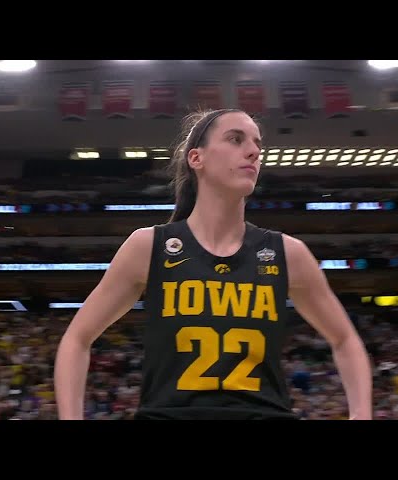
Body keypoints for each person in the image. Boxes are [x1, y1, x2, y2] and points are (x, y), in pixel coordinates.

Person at [54, 108, 373, 420]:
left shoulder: (288, 253)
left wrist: (361, 413)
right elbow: (76, 339)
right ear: (197, 158)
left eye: (257, 144)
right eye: (236, 139)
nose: (253, 152)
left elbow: (345, 339)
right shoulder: (149, 247)